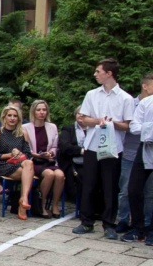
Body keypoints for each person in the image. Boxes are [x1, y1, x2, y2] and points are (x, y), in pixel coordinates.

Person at [72, 58, 134, 238]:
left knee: (110, 186)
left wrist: (112, 123)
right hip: (92, 145)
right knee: (89, 184)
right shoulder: (92, 95)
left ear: (109, 73)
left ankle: (109, 224)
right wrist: (99, 121)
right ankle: (86, 222)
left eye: (98, 71)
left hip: (113, 148)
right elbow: (83, 119)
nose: (95, 74)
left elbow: (128, 125)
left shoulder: (125, 98)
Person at [117, 75, 152, 236]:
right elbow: (133, 127)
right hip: (138, 151)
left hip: (146, 149)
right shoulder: (140, 103)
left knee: (150, 192)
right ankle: (131, 223)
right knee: (130, 189)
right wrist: (149, 129)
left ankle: (149, 226)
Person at [0, 105, 36, 220]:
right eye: (9, 115)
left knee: (29, 163)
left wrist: (19, 154)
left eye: (15, 116)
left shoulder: (23, 133)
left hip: (20, 163)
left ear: (19, 119)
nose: (12, 118)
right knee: (28, 173)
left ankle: (24, 199)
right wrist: (10, 155)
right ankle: (23, 204)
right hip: (3, 164)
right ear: (4, 117)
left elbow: (28, 154)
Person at [23, 100, 64, 218]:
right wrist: (38, 155)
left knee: (60, 175)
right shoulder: (25, 128)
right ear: (33, 112)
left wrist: (50, 153)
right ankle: (41, 204)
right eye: (39, 110)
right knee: (49, 174)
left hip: (48, 160)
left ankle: (55, 205)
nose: (42, 112)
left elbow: (55, 146)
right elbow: (26, 149)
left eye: (44, 110)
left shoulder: (52, 127)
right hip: (34, 160)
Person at [58, 106, 85, 205]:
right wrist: (81, 151)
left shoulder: (94, 129)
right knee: (82, 175)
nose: (81, 115)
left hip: (90, 162)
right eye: (79, 113)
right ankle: (82, 205)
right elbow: (64, 146)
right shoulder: (68, 129)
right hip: (72, 163)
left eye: (84, 114)